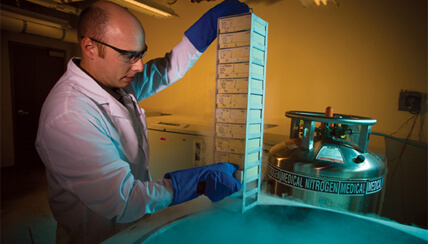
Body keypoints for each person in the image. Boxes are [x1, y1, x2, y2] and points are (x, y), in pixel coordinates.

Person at [35, 0, 249, 243]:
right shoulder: (69, 115)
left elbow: (167, 68)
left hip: (134, 228)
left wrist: (206, 29)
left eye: (141, 53)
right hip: (100, 237)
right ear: (90, 47)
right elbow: (124, 199)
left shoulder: (114, 81)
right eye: (129, 56)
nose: (139, 66)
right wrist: (195, 182)